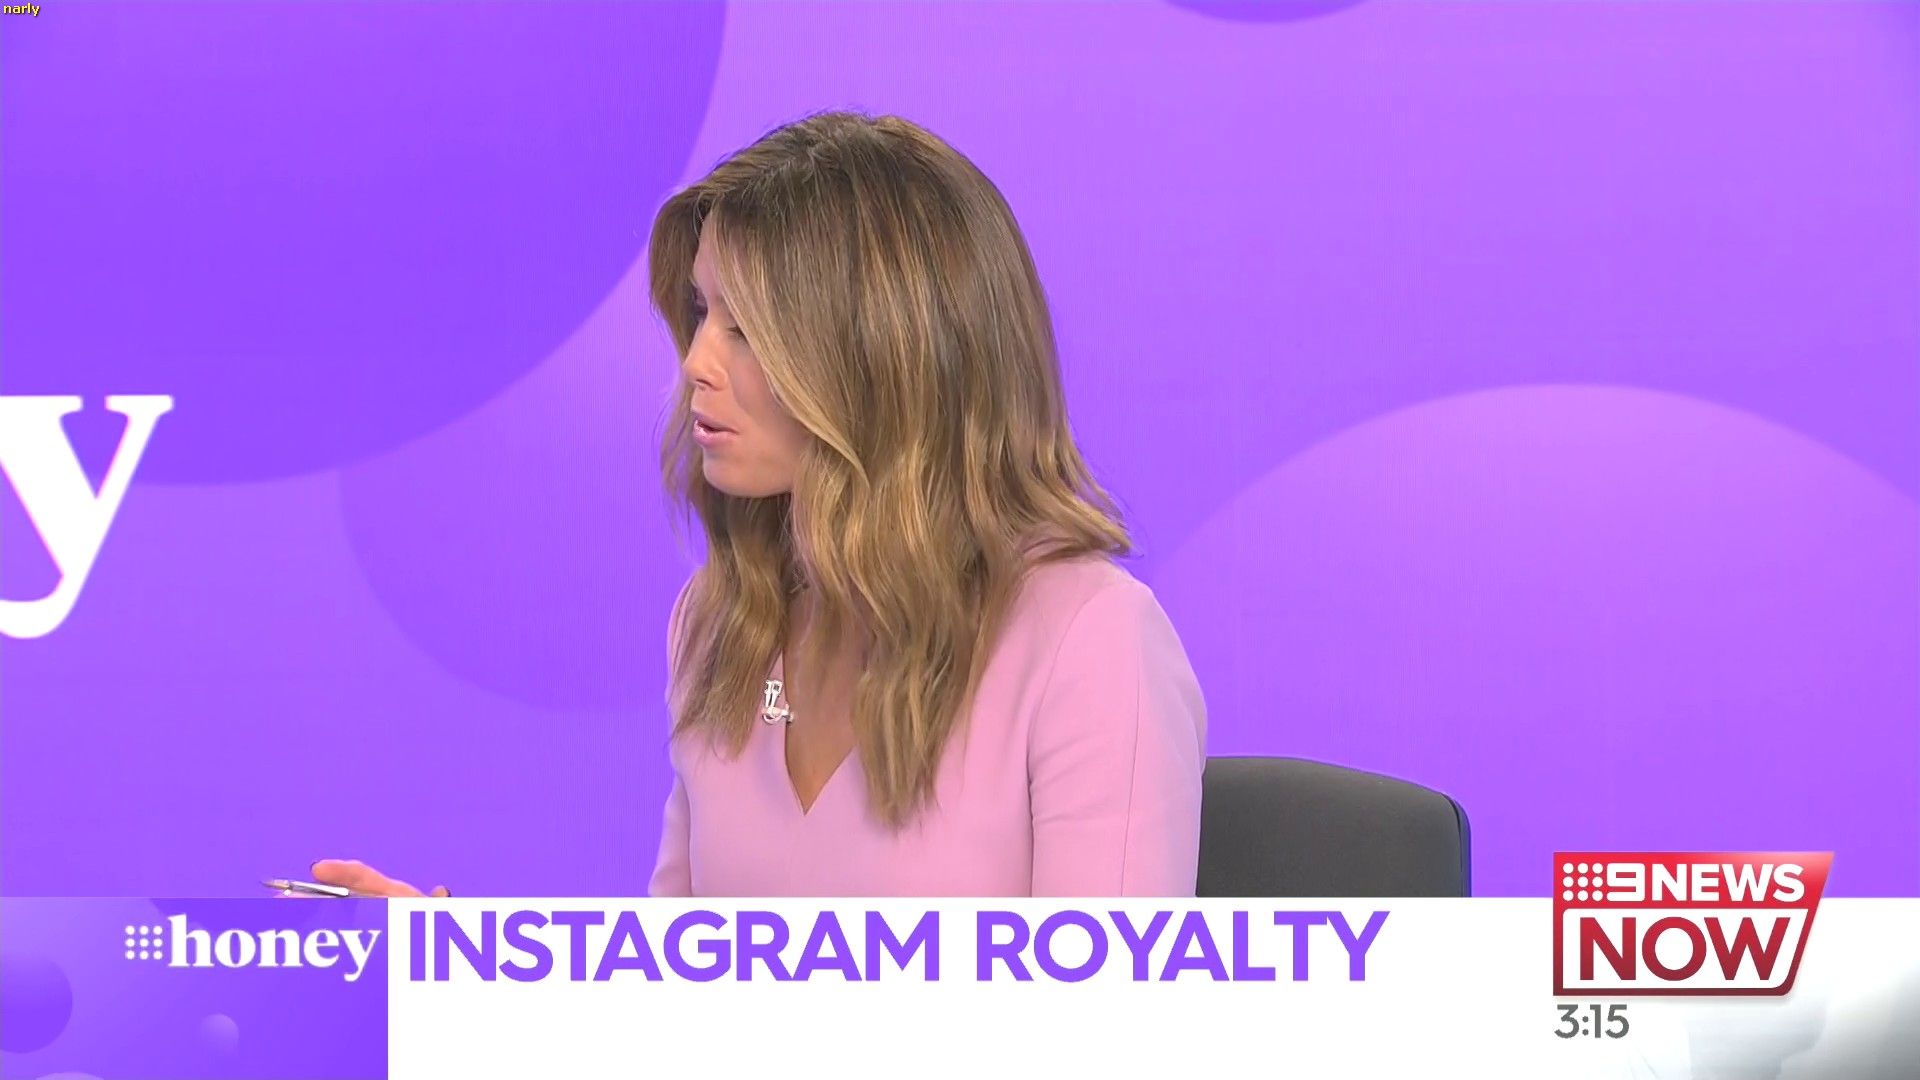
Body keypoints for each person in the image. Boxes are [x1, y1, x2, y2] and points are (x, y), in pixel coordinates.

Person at [308, 110, 1206, 900]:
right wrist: (458, 970)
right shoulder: (721, 626)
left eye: (744, 328)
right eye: (702, 313)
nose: (697, 361)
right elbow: (671, 997)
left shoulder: (1089, 641)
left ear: (884, 355)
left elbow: (1108, 1019)